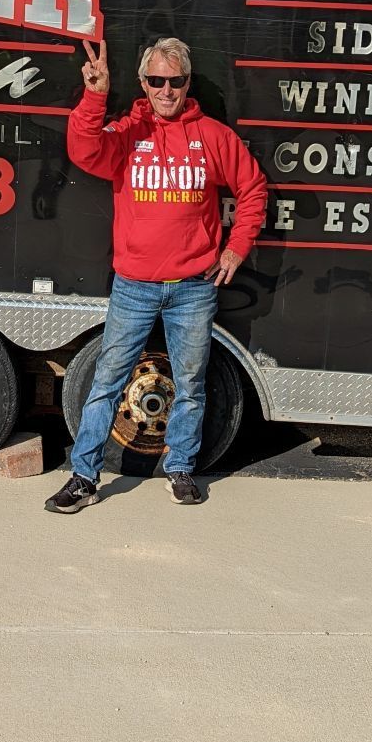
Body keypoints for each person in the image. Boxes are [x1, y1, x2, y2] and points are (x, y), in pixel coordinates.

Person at [45, 35, 267, 513]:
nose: (167, 90)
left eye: (176, 81)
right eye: (157, 81)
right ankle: (83, 477)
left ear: (188, 83)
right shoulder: (129, 133)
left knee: (190, 384)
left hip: (194, 289)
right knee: (106, 382)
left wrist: (235, 250)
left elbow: (252, 190)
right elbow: (85, 150)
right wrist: (95, 95)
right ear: (143, 83)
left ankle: (181, 469)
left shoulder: (213, 136)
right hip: (134, 287)